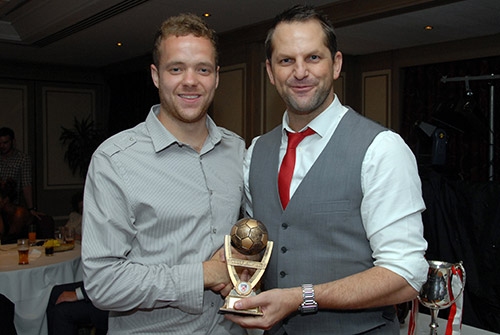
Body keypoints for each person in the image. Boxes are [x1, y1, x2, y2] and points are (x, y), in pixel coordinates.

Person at [225, 5, 428, 334]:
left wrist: (302, 297)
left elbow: (406, 275)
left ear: (336, 65)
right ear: (270, 71)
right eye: (286, 60)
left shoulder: (382, 149)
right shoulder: (256, 151)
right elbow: (259, 246)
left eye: (313, 58)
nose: (300, 72)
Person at [81, 13, 246, 334]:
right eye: (176, 68)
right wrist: (203, 274)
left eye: (203, 69)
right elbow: (102, 283)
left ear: (216, 77)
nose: (190, 80)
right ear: (156, 76)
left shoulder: (237, 149)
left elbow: (246, 230)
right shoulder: (115, 160)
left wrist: (237, 253)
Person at [0, 127, 38, 216]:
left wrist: (31, 208)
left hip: (12, 204)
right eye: (0, 143)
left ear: (13, 142)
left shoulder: (22, 159)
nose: (2, 146)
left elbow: (26, 184)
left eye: (5, 143)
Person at [0, 178, 34, 244]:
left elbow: (8, 239)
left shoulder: (19, 214)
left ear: (5, 200)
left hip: (24, 248)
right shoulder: (3, 212)